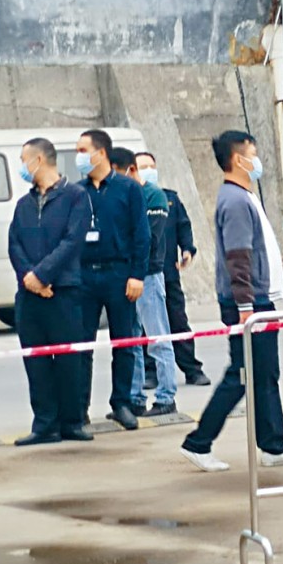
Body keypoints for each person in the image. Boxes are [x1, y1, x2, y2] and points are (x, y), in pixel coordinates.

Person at [180, 131, 283, 471]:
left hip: (256, 298)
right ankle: (199, 441)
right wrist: (246, 306)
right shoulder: (235, 201)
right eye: (253, 152)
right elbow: (238, 257)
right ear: (239, 160)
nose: (257, 159)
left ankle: (274, 445)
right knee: (243, 373)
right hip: (247, 303)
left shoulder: (243, 196)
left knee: (264, 373)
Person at [7, 138, 93, 445]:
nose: (22, 166)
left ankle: (72, 421)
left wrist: (43, 275)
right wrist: (29, 278)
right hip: (29, 296)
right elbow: (14, 244)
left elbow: (72, 242)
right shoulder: (23, 205)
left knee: (69, 360)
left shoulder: (75, 197)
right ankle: (45, 424)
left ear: (39, 159)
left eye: (23, 159)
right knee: (36, 361)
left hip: (64, 291)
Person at [76, 129, 150, 431]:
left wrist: (137, 275)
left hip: (119, 273)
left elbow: (141, 235)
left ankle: (121, 402)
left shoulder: (127, 189)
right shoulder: (77, 191)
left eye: (83, 149)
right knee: (81, 346)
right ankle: (78, 408)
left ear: (101, 153)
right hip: (84, 275)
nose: (78, 156)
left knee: (125, 342)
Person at [110, 148, 179, 417]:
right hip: (127, 276)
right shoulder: (124, 194)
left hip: (148, 275)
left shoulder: (154, 196)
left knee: (158, 337)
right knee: (133, 340)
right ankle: (135, 398)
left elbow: (147, 238)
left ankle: (166, 396)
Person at [136, 152, 210, 387]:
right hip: (144, 274)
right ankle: (151, 372)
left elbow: (183, 227)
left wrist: (188, 249)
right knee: (146, 327)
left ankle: (192, 369)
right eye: (143, 166)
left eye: (151, 166)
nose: (148, 170)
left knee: (178, 321)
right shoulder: (133, 200)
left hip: (168, 272)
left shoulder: (169, 199)